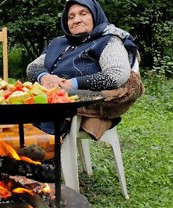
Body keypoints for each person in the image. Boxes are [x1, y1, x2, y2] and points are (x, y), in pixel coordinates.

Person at [27, 0, 142, 140]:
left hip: (79, 102)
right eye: (71, 17)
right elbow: (32, 67)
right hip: (49, 97)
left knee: (41, 124)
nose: (76, 20)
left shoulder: (108, 40)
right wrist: (44, 77)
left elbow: (117, 74)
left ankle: (46, 158)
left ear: (94, 15)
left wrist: (72, 84)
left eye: (83, 13)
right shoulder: (59, 42)